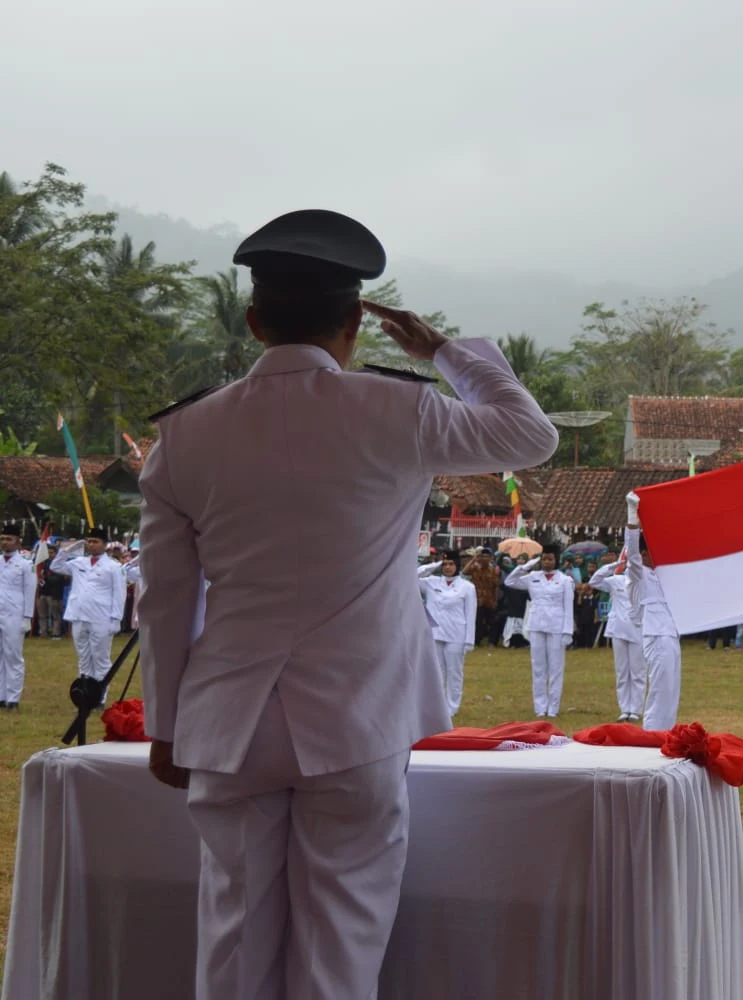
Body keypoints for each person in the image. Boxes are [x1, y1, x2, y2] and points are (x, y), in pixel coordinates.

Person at [137, 208, 558, 1000]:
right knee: (341, 944)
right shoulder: (399, 409)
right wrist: (443, 354)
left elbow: (164, 601)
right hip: (359, 720)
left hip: (229, 722)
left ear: (254, 319)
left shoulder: (185, 434)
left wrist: (167, 724)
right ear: (356, 320)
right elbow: (531, 437)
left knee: (232, 944)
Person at [50, 527, 126, 706]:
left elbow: (119, 595)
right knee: (84, 658)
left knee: (100, 659)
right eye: (89, 541)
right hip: (79, 616)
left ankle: (100, 697)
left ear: (105, 545)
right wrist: (66, 550)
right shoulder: (79, 563)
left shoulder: (114, 567)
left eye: (95, 542)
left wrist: (116, 619)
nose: (91, 545)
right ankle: (85, 694)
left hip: (101, 617)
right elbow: (55, 566)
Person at [625, 491, 681, 731]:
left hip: (672, 633)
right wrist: (632, 516)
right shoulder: (639, 574)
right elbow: (633, 554)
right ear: (646, 553)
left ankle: (665, 733)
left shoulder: (664, 574)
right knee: (659, 688)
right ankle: (652, 735)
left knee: (671, 689)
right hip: (656, 635)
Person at [504, 544, 576, 718]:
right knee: (538, 668)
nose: (547, 562)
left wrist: (568, 631)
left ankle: (553, 708)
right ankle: (540, 707)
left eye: (550, 559)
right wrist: (527, 565)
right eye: (544, 559)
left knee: (556, 668)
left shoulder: (565, 580)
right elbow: (510, 581)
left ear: (556, 560)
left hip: (557, 626)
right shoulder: (533, 577)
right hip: (536, 625)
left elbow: (568, 607)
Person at [418, 551, 477, 715]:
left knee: (454, 672)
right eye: (445, 564)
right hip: (435, 633)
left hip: (456, 634)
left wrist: (469, 640)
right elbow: (413, 577)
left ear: (457, 565)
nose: (448, 567)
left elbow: (471, 614)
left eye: (451, 564)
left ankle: (452, 707)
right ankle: (437, 705)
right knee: (437, 672)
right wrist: (435, 564)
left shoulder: (467, 587)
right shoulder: (431, 582)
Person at [589, 555, 646, 722]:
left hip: (637, 629)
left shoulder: (644, 582)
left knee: (637, 671)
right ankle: (624, 709)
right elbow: (594, 581)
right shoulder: (616, 580)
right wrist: (613, 565)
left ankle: (636, 709)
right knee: (622, 671)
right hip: (618, 629)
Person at [0, 524, 36, 710]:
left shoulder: (25, 564)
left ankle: (13, 698)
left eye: (9, 539)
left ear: (17, 541)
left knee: (13, 656)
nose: (5, 542)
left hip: (14, 614)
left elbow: (30, 591)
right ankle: (1, 695)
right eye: (3, 539)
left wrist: (27, 617)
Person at [462, 548, 501, 647]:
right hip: (478, 599)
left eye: (487, 557)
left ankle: (492, 641)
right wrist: (474, 559)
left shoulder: (493, 570)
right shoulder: (475, 568)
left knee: (493, 622)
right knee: (478, 622)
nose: (485, 559)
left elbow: (496, 586)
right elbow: (464, 571)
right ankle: (477, 641)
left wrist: (496, 600)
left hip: (490, 599)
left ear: (490, 558)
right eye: (483, 557)